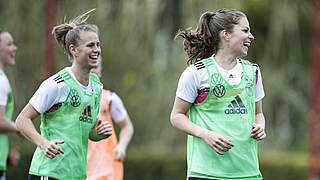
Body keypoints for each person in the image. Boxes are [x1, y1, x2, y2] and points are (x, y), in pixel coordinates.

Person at [15, 9, 112, 180]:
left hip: (76, 175)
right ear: (74, 50)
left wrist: (98, 133)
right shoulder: (57, 84)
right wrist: (43, 143)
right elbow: (22, 120)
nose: (96, 50)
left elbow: (89, 132)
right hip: (49, 172)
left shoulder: (96, 87)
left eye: (98, 44)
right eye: (90, 45)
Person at [170, 8, 266, 180]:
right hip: (206, 173)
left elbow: (258, 114)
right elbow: (177, 116)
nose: (251, 36)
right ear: (226, 34)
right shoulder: (196, 73)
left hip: (248, 172)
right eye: (245, 30)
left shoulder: (253, 72)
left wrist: (260, 126)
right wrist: (205, 134)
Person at [86, 59, 134, 180]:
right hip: (80, 169)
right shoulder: (72, 99)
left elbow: (127, 127)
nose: (92, 71)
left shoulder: (110, 100)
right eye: (88, 66)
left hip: (105, 170)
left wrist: (121, 147)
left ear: (100, 71)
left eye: (95, 67)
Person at [0, 29, 19, 180]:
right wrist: (21, 128)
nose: (14, 48)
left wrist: (6, 157)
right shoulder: (1, 81)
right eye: (9, 44)